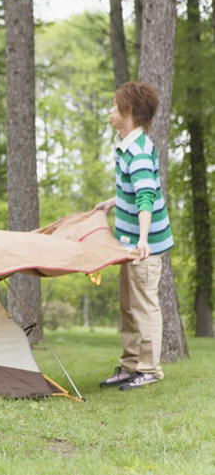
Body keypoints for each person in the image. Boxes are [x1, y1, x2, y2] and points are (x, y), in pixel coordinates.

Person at [94, 81, 173, 391]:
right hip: (129, 244)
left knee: (144, 306)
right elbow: (136, 189)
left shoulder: (138, 151)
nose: (111, 111)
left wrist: (142, 240)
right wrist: (113, 202)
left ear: (127, 111)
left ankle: (149, 369)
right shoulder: (128, 146)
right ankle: (130, 365)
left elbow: (146, 198)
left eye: (115, 106)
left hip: (144, 246)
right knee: (128, 306)